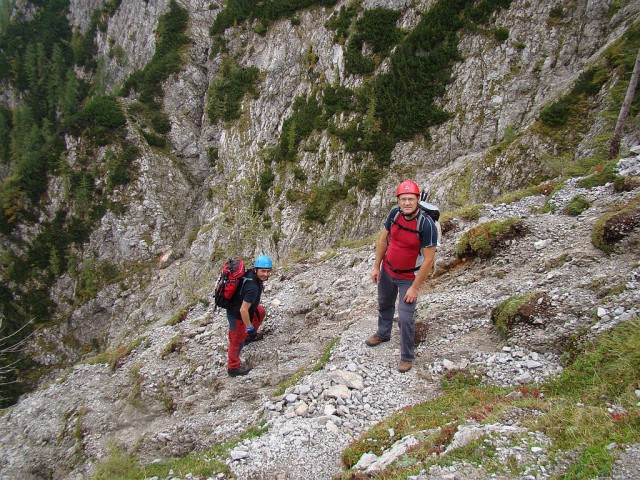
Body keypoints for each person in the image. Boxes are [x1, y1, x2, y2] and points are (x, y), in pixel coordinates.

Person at [365, 180, 438, 373]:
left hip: (408, 277)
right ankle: (383, 333)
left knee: (405, 317)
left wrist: (415, 287)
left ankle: (406, 356)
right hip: (388, 269)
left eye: (411, 199)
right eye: (403, 199)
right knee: (384, 302)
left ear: (417, 200)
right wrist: (376, 266)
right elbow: (384, 239)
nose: (407, 203)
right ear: (398, 200)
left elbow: (429, 259)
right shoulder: (394, 214)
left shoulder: (426, 224)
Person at [226, 254, 273, 377]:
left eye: (268, 271)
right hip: (237, 314)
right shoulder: (252, 287)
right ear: (256, 269)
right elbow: (243, 310)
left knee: (260, 312)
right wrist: (250, 328)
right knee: (236, 341)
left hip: (242, 307)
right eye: (263, 271)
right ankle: (233, 367)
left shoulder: (251, 275)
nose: (266, 274)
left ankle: (248, 337)